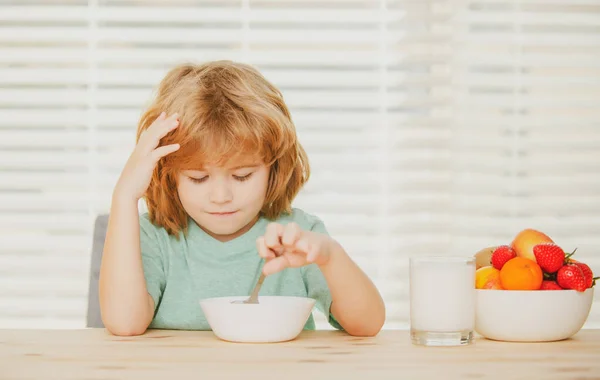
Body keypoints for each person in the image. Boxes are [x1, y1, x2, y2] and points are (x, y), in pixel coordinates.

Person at [98, 60, 385, 337]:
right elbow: (125, 324)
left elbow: (368, 324)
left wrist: (330, 257)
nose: (221, 197)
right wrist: (125, 196)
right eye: (198, 178)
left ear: (274, 169)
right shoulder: (155, 237)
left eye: (242, 176)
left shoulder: (298, 237)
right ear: (169, 176)